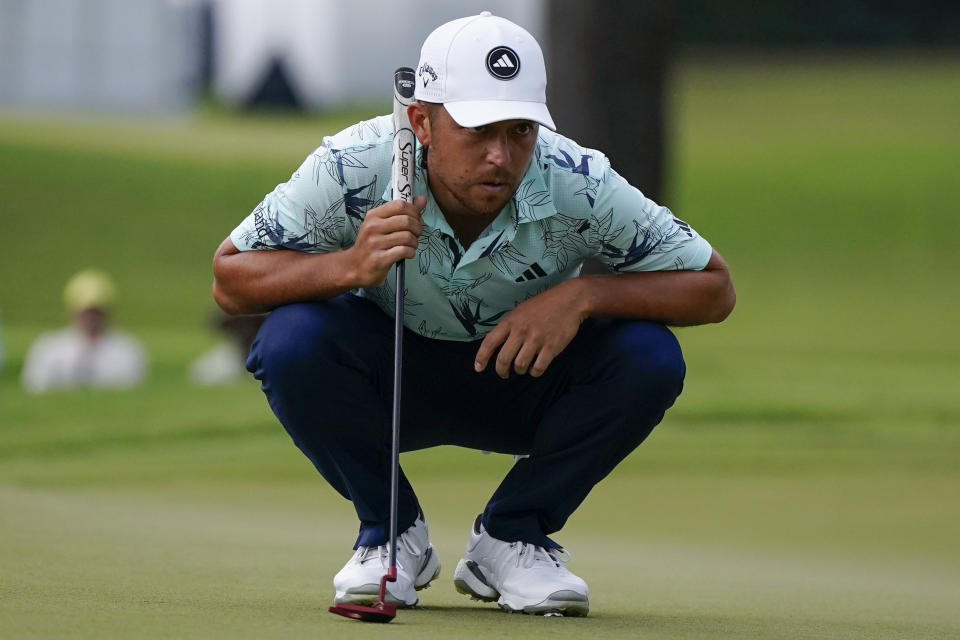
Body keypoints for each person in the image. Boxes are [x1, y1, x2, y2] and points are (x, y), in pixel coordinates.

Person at [212, 12, 734, 617]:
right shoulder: (356, 163)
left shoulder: (575, 178)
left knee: (648, 356)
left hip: (521, 379)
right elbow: (231, 277)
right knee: (290, 341)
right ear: (421, 122)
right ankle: (392, 534)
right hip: (390, 381)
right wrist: (349, 266)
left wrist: (584, 296)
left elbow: (713, 285)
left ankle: (513, 537)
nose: (500, 156)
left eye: (519, 131)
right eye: (478, 130)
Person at [21, 269, 148, 393]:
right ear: (71, 310)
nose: (91, 318)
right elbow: (35, 388)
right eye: (85, 312)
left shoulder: (128, 350)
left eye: (96, 312)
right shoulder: (49, 347)